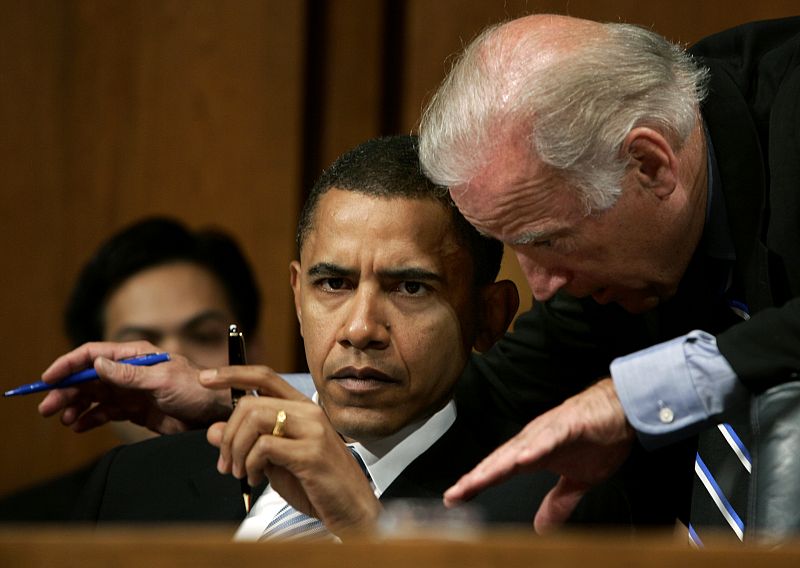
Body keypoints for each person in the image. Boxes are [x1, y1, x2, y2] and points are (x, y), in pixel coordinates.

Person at [50, 136, 640, 536]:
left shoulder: (554, 509)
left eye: (410, 289)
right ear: (297, 296)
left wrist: (369, 531)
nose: (361, 329)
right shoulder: (132, 484)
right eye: (333, 284)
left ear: (490, 315)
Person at [417, 14, 800, 536]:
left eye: (547, 241)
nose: (542, 286)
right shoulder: (610, 269)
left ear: (649, 164)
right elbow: (484, 402)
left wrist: (636, 395)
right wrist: (319, 426)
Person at [0, 218, 265, 522]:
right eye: (141, 347)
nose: (172, 364)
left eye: (204, 335)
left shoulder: (296, 501)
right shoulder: (25, 526)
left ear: (253, 348)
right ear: (93, 366)